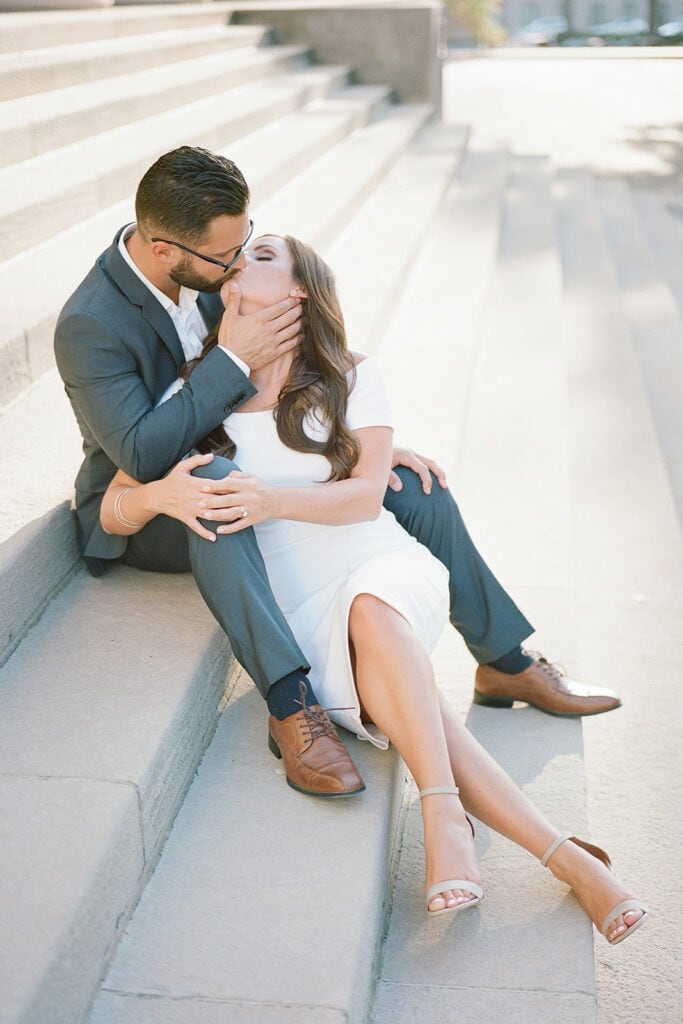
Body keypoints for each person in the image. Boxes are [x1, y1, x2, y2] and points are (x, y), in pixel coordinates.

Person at [99, 233, 647, 942]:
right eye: (239, 256)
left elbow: (362, 499)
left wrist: (271, 498)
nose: (241, 259)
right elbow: (117, 500)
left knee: (371, 605)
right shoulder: (196, 388)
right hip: (293, 603)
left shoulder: (350, 375)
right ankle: (567, 858)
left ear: (298, 293)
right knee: (417, 703)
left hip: (375, 558)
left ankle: (445, 811)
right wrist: (160, 499)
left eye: (263, 254)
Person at [54, 145, 620, 800]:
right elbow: (140, 455)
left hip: (248, 453)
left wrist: (362, 439)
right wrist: (230, 362)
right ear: (163, 251)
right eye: (225, 258)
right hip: (149, 505)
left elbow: (300, 353)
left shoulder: (213, 269)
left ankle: (505, 662)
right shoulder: (90, 324)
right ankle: (293, 705)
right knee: (214, 484)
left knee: (410, 486)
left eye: (246, 247)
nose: (239, 267)